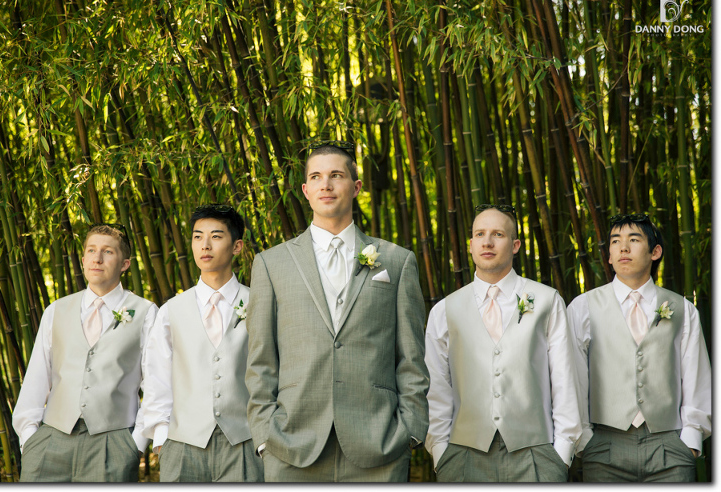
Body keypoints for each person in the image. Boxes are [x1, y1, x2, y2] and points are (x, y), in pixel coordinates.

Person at [245, 141, 429, 482]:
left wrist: (410, 431)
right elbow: (261, 360)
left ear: (356, 187)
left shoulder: (396, 261)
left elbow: (411, 357)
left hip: (379, 445)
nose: (325, 185)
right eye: (315, 177)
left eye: (336, 175)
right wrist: (265, 436)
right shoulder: (271, 264)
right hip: (291, 446)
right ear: (305, 191)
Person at [424, 204, 581, 482]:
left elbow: (564, 380)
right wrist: (440, 453)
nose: (487, 242)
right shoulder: (444, 310)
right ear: (470, 244)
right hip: (463, 456)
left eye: (498, 234)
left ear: (515, 245)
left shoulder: (548, 301)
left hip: (536, 455)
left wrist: (561, 455)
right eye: (480, 234)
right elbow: (437, 389)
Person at [568, 213, 711, 482]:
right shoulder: (582, 307)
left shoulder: (683, 309)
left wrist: (690, 441)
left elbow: (696, 376)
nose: (623, 248)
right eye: (615, 241)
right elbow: (573, 378)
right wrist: (584, 440)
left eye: (633, 240)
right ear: (609, 256)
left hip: (669, 447)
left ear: (655, 252)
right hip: (604, 445)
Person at [13, 223, 157, 482]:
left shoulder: (146, 313)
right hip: (50, 442)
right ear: (83, 260)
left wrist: (135, 445)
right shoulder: (56, 310)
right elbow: (36, 378)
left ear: (125, 264)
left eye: (107, 252)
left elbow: (157, 386)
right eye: (91, 250)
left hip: (113, 444)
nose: (97, 258)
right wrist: (29, 440)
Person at [140, 204, 261, 482]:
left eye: (216, 236)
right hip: (183, 446)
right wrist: (161, 438)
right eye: (197, 237)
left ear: (237, 246)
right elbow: (157, 377)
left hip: (245, 442)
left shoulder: (259, 302)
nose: (205, 245)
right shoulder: (171, 310)